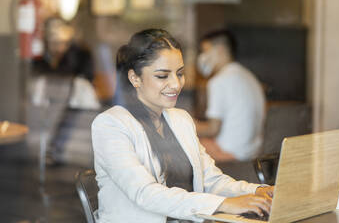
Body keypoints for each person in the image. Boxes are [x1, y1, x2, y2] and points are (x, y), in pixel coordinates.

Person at [91, 29, 272, 223]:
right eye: (162, 76)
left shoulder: (181, 120)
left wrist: (258, 190)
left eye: (180, 74)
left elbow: (211, 180)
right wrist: (223, 204)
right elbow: (145, 193)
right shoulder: (110, 124)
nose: (176, 84)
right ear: (135, 78)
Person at [32, 16, 97, 166]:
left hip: (76, 103)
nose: (60, 48)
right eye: (55, 42)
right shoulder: (40, 63)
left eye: (64, 43)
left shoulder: (79, 57)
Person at [195, 30, 266, 162]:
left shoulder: (219, 81)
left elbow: (212, 129)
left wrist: (187, 123)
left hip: (231, 155)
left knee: (186, 143)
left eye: (205, 51)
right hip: (252, 153)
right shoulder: (249, 76)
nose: (202, 57)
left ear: (220, 50)